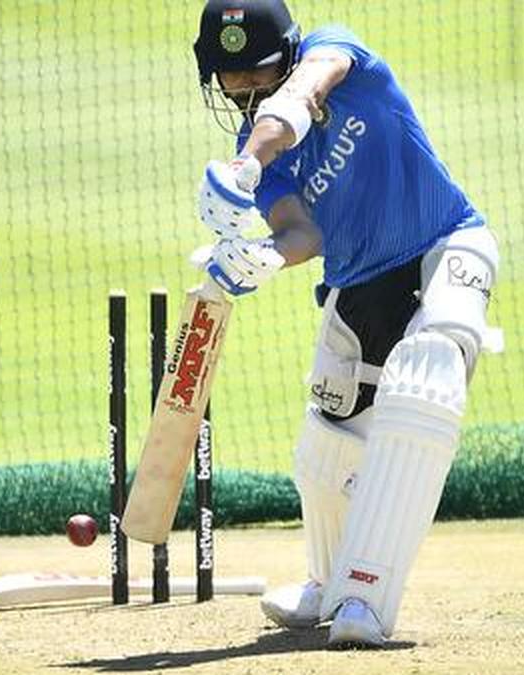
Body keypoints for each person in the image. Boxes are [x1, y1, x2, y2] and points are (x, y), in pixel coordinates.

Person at [191, 0, 502, 648]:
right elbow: (300, 232)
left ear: (288, 52)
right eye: (231, 75)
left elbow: (304, 92)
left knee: (427, 374)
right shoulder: (260, 155)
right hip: (359, 281)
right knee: (328, 447)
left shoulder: (336, 54)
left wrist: (246, 164)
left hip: (445, 243)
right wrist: (264, 257)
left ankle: (367, 596)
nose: (244, 86)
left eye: (256, 70)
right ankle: (328, 581)